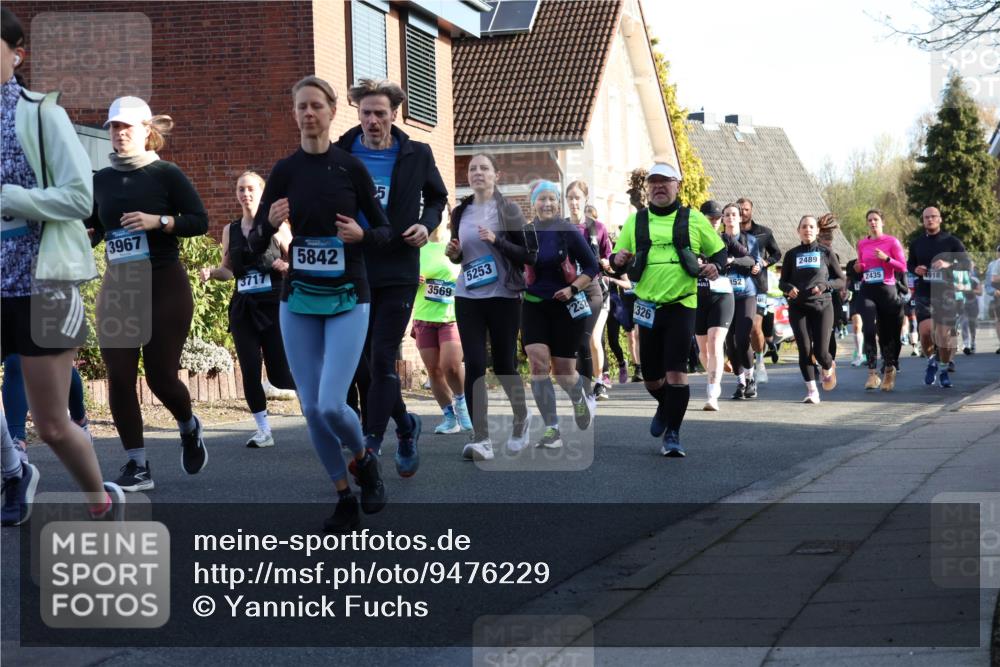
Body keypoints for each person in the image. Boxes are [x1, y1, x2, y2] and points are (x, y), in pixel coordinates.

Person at [248, 75, 390, 532]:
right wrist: (269, 226)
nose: (309, 113)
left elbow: (385, 231)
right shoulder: (284, 172)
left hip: (349, 296)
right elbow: (252, 245)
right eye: (301, 107)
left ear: (331, 112)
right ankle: (344, 495)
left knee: (331, 405)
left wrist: (362, 235)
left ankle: (364, 458)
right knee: (311, 409)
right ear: (294, 114)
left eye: (316, 106)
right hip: (298, 299)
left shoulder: (350, 168)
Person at [1, 7, 122, 524]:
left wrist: (12, 198)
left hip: (41, 283)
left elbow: (79, 198)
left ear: (16, 54)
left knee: (51, 425)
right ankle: (13, 470)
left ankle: (100, 499)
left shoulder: (41, 114)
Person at [87, 96, 209, 492]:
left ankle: (188, 426)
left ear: (146, 130)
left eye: (126, 126)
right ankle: (137, 465)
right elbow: (95, 227)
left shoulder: (166, 174)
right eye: (113, 126)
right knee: (120, 377)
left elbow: (199, 220)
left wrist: (160, 221)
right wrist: (83, 237)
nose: (119, 133)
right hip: (119, 287)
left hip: (163, 284)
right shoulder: (101, 180)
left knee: (160, 377)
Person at [334, 78, 448, 477]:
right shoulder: (340, 153)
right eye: (365, 113)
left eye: (380, 113)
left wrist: (426, 224)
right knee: (361, 362)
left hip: (398, 266)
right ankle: (405, 424)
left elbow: (437, 197)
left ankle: (372, 441)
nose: (372, 121)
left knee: (383, 356)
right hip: (353, 266)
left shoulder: (417, 153)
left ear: (394, 114)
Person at [611, 163, 726, 456]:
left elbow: (719, 251)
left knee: (676, 372)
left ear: (677, 185)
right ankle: (666, 405)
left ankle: (673, 434)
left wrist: (716, 266)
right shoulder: (635, 221)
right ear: (647, 188)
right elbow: (615, 260)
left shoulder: (693, 218)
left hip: (681, 304)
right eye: (654, 182)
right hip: (647, 306)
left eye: (665, 181)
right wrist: (618, 259)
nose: (659, 187)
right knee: (652, 377)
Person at [446, 153, 536, 460]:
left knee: (504, 365)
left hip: (503, 296)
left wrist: (497, 241)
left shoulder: (508, 210)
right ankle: (481, 438)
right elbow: (460, 255)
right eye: (473, 169)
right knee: (473, 363)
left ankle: (521, 417)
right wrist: (454, 253)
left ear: (497, 175)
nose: (477, 173)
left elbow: (529, 254)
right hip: (467, 295)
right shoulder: (460, 212)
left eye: (484, 168)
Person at [199, 171, 296, 448]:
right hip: (243, 307)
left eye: (251, 189)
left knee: (280, 374)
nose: (245, 194)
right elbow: (228, 271)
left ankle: (316, 404)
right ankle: (263, 430)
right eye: (241, 189)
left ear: (261, 193)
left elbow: (299, 263)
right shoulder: (230, 230)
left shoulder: (278, 227)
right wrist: (212, 273)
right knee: (250, 369)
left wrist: (286, 266)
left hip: (274, 305)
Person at [522, 181, 598, 449]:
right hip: (533, 305)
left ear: (558, 203)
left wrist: (572, 288)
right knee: (538, 363)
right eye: (541, 199)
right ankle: (551, 429)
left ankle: (579, 398)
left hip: (566, 305)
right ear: (533, 203)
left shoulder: (567, 231)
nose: (547, 204)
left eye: (552, 199)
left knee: (564, 371)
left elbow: (591, 266)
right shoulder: (526, 232)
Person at [412, 223, 471, 434]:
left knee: (451, 366)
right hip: (424, 316)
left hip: (451, 317)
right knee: (434, 371)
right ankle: (449, 418)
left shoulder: (459, 245)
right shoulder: (417, 248)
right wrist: (411, 280)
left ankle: (462, 403)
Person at [779, 216, 845, 404]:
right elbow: (782, 282)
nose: (807, 229)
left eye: (811, 227)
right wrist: (788, 288)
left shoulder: (826, 253)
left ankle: (828, 365)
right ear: (798, 231)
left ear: (817, 231)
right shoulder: (791, 254)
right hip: (798, 307)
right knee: (805, 349)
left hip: (822, 306)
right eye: (804, 227)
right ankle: (812, 391)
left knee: (821, 352)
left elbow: (841, 280)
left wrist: (825, 286)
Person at [907, 206, 969, 389]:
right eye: (926, 217)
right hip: (924, 292)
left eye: (933, 216)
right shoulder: (916, 243)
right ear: (923, 220)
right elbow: (910, 264)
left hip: (946, 293)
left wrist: (948, 264)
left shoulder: (952, 241)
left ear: (940, 219)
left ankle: (943, 369)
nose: (930, 219)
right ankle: (931, 361)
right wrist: (915, 269)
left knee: (943, 337)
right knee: (925, 332)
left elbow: (966, 263)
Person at [566, 181, 613, 401]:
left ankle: (599, 382)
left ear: (585, 199)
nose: (574, 202)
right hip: (572, 292)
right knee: (576, 341)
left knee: (593, 339)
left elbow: (610, 257)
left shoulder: (598, 228)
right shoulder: (560, 228)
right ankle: (581, 384)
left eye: (577, 198)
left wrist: (607, 262)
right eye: (570, 198)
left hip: (597, 290)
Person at [856, 209, 907, 391]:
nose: (872, 222)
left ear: (882, 222)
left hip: (887, 290)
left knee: (886, 334)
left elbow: (903, 267)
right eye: (869, 220)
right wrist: (859, 267)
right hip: (868, 290)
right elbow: (862, 265)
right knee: (868, 329)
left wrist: (887, 259)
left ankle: (889, 370)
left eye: (876, 219)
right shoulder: (862, 243)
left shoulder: (892, 242)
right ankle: (872, 373)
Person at [719, 204, 762, 400]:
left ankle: (751, 378)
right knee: (730, 342)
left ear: (739, 218)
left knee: (742, 338)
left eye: (734, 214)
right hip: (724, 294)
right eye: (727, 214)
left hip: (746, 294)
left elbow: (753, 261)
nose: (730, 217)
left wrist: (734, 261)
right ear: (723, 218)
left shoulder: (750, 240)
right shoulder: (717, 239)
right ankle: (741, 382)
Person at [694, 200, 734, 410]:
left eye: (718, 219)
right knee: (704, 350)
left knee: (715, 342)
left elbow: (750, 258)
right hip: (697, 298)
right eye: (711, 218)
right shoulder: (691, 239)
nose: (715, 222)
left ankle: (712, 393)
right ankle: (716, 369)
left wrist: (731, 261)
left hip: (722, 296)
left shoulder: (725, 240)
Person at [737, 198, 782, 383]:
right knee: (738, 331)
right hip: (736, 285)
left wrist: (765, 262)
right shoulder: (730, 233)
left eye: (746, 209)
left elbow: (777, 253)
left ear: (751, 211)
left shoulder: (764, 232)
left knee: (755, 327)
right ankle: (743, 364)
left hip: (758, 285)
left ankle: (760, 362)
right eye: (740, 209)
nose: (742, 212)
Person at [843, 259, 869, 368]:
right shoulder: (851, 263)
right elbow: (848, 279)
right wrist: (844, 290)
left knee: (868, 329)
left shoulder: (869, 261)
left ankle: (868, 351)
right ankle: (859, 355)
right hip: (855, 299)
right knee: (857, 326)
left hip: (869, 299)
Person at [957, 262, 982, 355]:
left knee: (972, 325)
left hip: (973, 303)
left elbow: (980, 292)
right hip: (961, 303)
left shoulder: (974, 279)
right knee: (964, 323)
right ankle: (966, 344)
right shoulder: (958, 279)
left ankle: (973, 343)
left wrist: (967, 289)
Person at [986, 245, 1000, 354]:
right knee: (998, 321)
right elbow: (988, 283)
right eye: (999, 251)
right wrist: (993, 291)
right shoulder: (992, 265)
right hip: (998, 296)